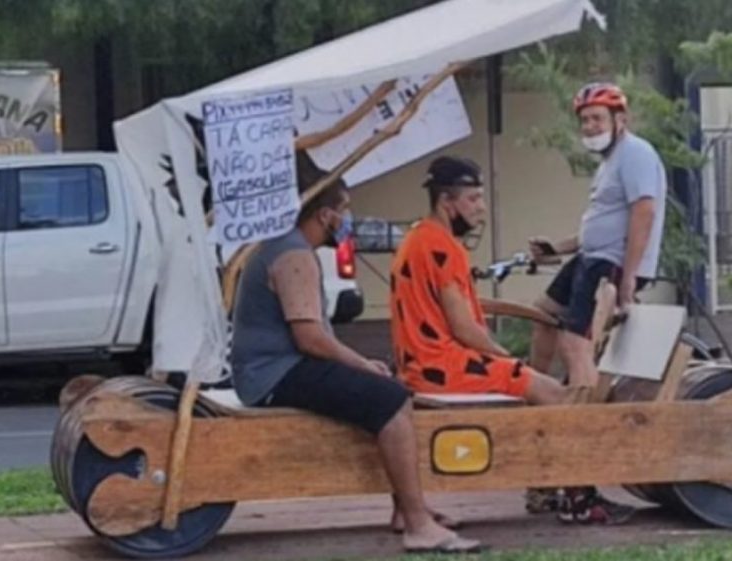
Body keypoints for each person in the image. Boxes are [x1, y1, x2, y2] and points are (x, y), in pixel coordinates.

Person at [229, 183, 482, 554]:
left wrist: (364, 368)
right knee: (392, 398)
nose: (348, 219)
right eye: (344, 209)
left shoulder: (289, 248)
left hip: (277, 369)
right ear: (325, 215)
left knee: (393, 391)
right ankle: (418, 526)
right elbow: (310, 339)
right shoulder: (293, 255)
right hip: (273, 375)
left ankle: (407, 509)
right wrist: (361, 363)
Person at [389, 155, 635, 525]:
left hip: (419, 363)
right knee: (555, 393)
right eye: (473, 199)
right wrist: (505, 358)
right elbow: (463, 327)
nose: (481, 209)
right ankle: (579, 499)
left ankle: (546, 489)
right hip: (440, 366)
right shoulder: (443, 247)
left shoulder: (415, 238)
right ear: (446, 201)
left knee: (536, 384)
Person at [526, 82, 667, 390]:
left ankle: (581, 419)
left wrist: (628, 277)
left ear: (620, 120)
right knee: (543, 313)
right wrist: (556, 248)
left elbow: (644, 212)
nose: (589, 126)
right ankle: (538, 391)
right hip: (591, 258)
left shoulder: (635, 153)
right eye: (585, 120)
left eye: (597, 118)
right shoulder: (609, 161)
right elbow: (601, 224)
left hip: (611, 264)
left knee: (576, 342)